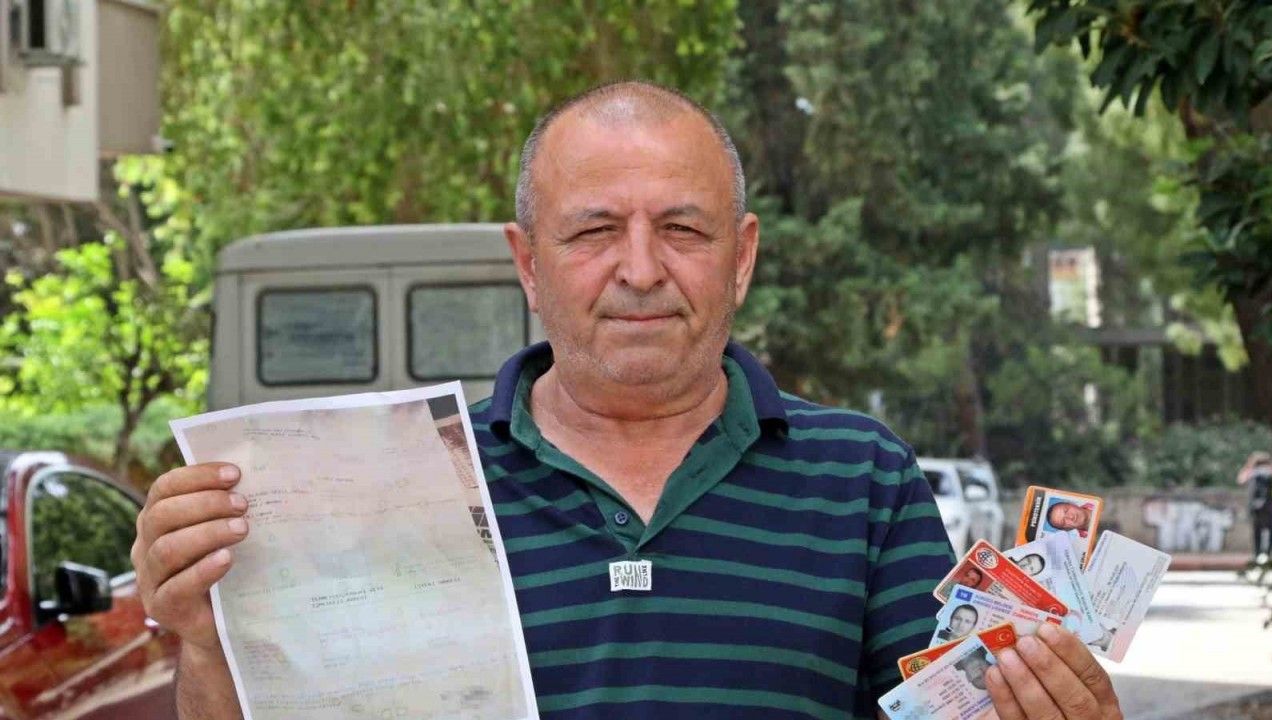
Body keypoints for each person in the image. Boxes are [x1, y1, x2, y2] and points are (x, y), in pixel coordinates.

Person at [130, 81, 1124, 720]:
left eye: (682, 230)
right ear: (528, 263)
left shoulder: (862, 479)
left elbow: (951, 708)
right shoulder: (402, 488)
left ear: (741, 259)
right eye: (594, 231)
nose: (640, 270)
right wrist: (213, 643)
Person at [1238, 452, 1272, 563]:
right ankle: (1268, 554)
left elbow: (1241, 480)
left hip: (1255, 506)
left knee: (1257, 531)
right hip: (1269, 505)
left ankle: (1258, 555)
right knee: (1271, 531)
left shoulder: (1251, 472)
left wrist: (1249, 466)